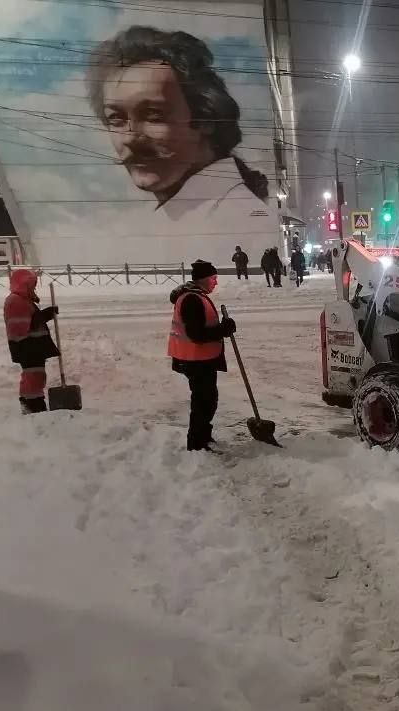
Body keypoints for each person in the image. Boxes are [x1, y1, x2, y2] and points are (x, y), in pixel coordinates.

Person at [87, 26, 269, 215]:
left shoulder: (240, 217)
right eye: (116, 119)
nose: (130, 138)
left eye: (153, 115)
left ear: (205, 119)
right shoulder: (178, 217)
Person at [167, 260, 236, 451]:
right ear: (203, 279)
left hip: (199, 359)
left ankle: (203, 437)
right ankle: (197, 444)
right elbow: (196, 334)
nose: (216, 282)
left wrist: (222, 327)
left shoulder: (197, 296)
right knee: (203, 402)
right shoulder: (192, 300)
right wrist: (223, 330)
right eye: (213, 278)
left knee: (207, 400)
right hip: (195, 360)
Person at [4, 269, 60, 414]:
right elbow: (21, 326)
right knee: (33, 376)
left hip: (32, 347)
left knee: (35, 375)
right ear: (23, 284)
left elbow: (30, 320)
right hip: (27, 347)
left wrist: (45, 314)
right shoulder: (15, 301)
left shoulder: (22, 300)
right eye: (31, 285)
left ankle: (31, 402)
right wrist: (44, 315)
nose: (33, 288)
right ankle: (33, 404)